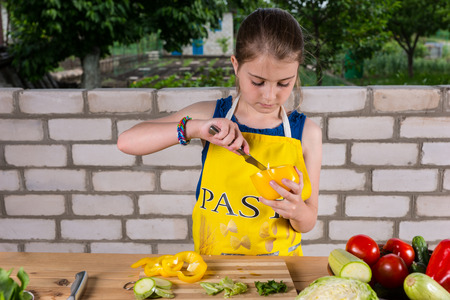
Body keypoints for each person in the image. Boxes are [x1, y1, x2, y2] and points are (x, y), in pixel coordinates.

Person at [117, 8, 322, 256]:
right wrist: (196, 128)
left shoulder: (307, 132)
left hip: (281, 273)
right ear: (236, 65)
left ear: (297, 72)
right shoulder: (211, 114)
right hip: (215, 270)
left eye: (283, 83)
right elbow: (127, 141)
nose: (269, 95)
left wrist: (297, 211)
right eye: (257, 82)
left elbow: (309, 221)